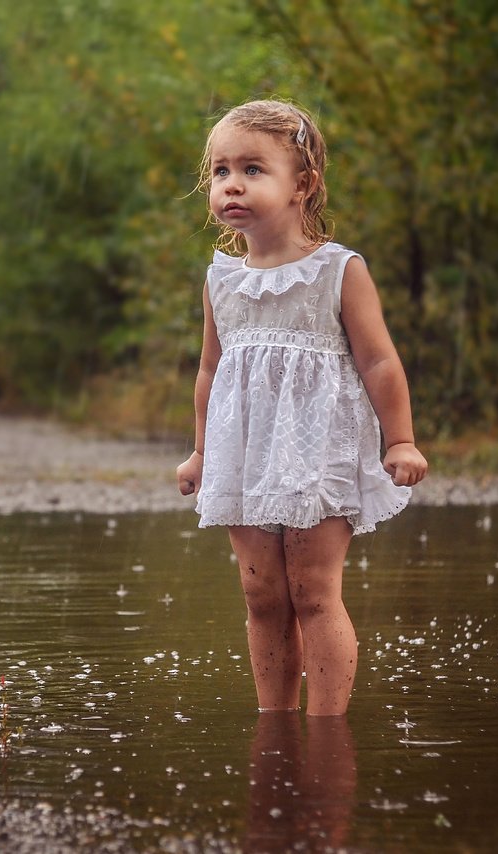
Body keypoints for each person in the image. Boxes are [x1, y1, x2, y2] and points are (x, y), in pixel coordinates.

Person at [175, 99, 427, 716]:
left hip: (319, 452)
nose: (231, 183)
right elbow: (211, 370)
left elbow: (379, 363)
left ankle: (327, 729)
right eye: (220, 171)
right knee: (262, 597)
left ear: (302, 184)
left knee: (313, 591)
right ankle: (275, 725)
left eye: (253, 169)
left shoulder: (337, 271)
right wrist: (203, 451)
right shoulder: (221, 280)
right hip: (245, 456)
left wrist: (400, 439)